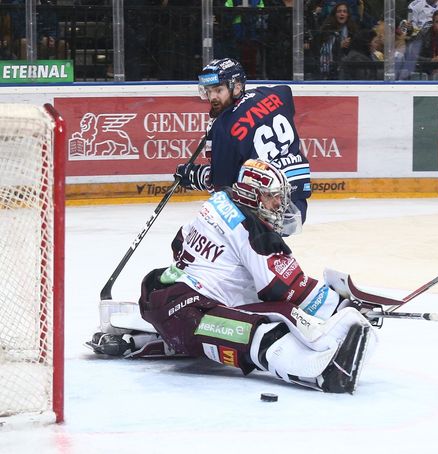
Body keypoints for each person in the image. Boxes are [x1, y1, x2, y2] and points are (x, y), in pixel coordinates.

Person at [87, 159, 378, 394]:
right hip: (192, 313)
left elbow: (179, 243)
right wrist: (341, 305)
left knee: (238, 314)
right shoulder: (252, 228)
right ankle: (324, 375)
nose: (279, 205)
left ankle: (132, 337)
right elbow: (287, 288)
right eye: (274, 198)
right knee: (268, 326)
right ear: (254, 195)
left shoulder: (218, 201)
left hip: (161, 299)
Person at [175, 58, 311, 233]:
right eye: (208, 91)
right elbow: (287, 92)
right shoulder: (277, 94)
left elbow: (223, 188)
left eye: (218, 90)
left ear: (237, 87)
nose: (212, 97)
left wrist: (196, 176)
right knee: (267, 252)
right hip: (296, 199)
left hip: (265, 210)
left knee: (208, 228)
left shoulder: (224, 129)